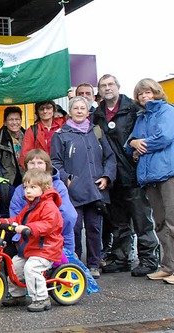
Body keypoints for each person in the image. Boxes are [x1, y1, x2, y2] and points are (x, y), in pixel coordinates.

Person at [93, 74, 159, 277]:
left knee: (141, 219)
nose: (107, 88)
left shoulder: (133, 108)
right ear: (100, 91)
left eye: (110, 84)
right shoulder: (97, 114)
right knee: (118, 220)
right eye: (103, 86)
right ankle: (122, 258)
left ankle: (149, 259)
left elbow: (149, 131)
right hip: (112, 175)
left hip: (133, 172)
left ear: (118, 86)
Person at [51, 96, 117, 278]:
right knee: (74, 228)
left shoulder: (96, 132)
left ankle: (94, 264)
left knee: (95, 228)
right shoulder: (60, 135)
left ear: (88, 111)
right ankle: (76, 263)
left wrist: (106, 176)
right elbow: (55, 162)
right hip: (73, 192)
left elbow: (110, 157)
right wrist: (67, 179)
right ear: (70, 112)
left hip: (96, 190)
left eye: (83, 108)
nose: (79, 111)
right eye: (76, 108)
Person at [0, 169, 63, 312]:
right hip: (31, 248)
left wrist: (28, 228)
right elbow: (17, 219)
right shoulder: (31, 205)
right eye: (26, 187)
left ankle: (41, 298)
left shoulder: (49, 206)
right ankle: (18, 295)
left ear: (45, 188)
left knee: (31, 268)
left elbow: (47, 225)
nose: (28, 191)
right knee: (14, 265)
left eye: (33, 187)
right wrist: (1, 221)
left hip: (46, 249)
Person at [127, 78, 174, 284]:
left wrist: (141, 144)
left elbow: (164, 137)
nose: (144, 97)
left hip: (168, 173)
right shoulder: (142, 117)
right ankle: (167, 266)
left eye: (148, 92)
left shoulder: (166, 111)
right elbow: (129, 144)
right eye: (140, 94)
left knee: (173, 222)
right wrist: (133, 142)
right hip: (149, 176)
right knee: (160, 223)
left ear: (156, 92)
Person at [10, 149, 77, 253]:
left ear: (47, 166)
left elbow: (68, 216)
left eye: (40, 163)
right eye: (31, 163)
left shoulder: (58, 186)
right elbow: (16, 215)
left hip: (57, 239)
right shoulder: (20, 190)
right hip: (28, 239)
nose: (36, 166)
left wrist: (48, 234)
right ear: (26, 166)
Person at [19, 100, 65, 168]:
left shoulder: (63, 125)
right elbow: (25, 156)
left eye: (48, 108)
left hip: (62, 171)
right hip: (40, 172)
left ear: (54, 110)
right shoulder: (32, 130)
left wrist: (72, 98)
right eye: (41, 109)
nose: (45, 111)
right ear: (37, 112)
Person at [0, 106, 25, 186]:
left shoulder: (28, 136)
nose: (14, 123)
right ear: (5, 122)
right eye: (11, 120)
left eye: (17, 119)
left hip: (27, 180)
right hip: (8, 182)